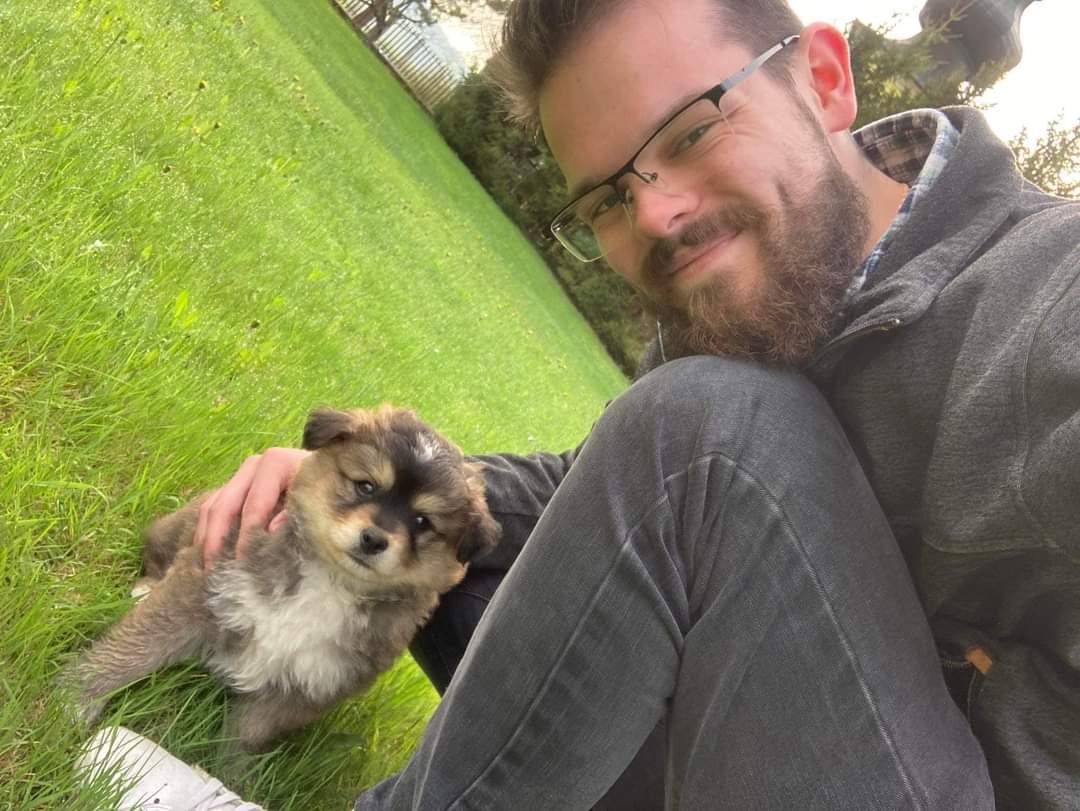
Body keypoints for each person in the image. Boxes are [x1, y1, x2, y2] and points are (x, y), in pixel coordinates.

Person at [81, 0, 1080, 808]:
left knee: (711, 436)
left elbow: (692, 469)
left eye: (694, 128)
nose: (658, 216)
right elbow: (616, 497)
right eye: (606, 198)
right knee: (457, 555)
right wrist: (361, 476)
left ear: (822, 79)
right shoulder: (738, 288)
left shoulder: (1044, 298)